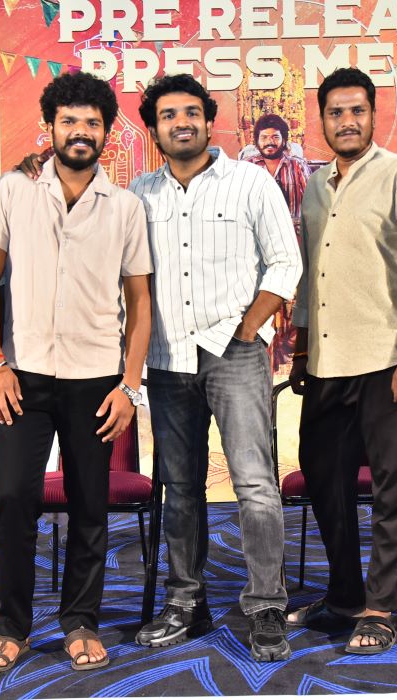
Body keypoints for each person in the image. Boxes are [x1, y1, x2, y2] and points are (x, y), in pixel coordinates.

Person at [0, 72, 152, 673]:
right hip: (21, 376)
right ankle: (11, 627)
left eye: (92, 123)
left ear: (106, 133)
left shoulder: (125, 207)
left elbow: (140, 303)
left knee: (89, 504)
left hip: (96, 380)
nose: (80, 132)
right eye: (69, 121)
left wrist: (130, 385)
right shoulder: (13, 191)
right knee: (12, 499)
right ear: (48, 127)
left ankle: (80, 621)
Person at [129, 73, 302, 662]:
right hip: (167, 358)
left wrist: (249, 327)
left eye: (191, 112)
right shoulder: (139, 194)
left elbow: (285, 263)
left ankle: (267, 605)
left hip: (235, 354)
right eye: (168, 115)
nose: (181, 123)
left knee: (254, 484)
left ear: (208, 120)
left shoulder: (251, 182)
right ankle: (186, 601)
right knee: (180, 487)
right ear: (154, 129)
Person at [286, 67, 397, 654]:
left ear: (374, 115)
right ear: (322, 121)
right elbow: (312, 277)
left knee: (389, 487)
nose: (347, 121)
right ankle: (345, 594)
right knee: (323, 480)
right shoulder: (317, 185)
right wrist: (303, 348)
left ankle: (381, 606)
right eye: (336, 112)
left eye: (357, 111)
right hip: (326, 362)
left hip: (387, 360)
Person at [245, 113, 313, 372]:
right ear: (256, 141)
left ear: (284, 139)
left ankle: (290, 359)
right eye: (264, 137)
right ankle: (264, 360)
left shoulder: (297, 166)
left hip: (291, 245)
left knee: (292, 301)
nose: (270, 142)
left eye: (275, 137)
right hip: (256, 248)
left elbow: (309, 204)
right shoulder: (247, 168)